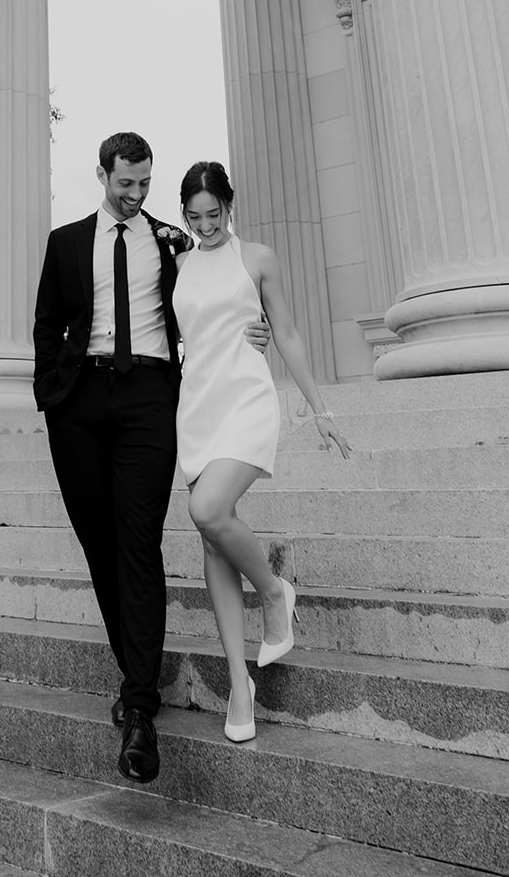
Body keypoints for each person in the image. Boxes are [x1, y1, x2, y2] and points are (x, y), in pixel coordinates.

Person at [33, 131, 270, 784]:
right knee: (99, 542)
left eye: (143, 184)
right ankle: (133, 672)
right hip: (78, 401)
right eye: (124, 183)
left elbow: (222, 290)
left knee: (137, 542)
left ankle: (139, 705)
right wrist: (48, 393)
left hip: (146, 398)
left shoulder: (172, 243)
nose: (134, 194)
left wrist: (262, 327)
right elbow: (46, 321)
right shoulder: (64, 243)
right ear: (103, 174)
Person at [173, 159, 351, 745]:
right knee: (213, 539)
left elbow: (289, 332)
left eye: (215, 215)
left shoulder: (259, 258)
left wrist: (319, 410)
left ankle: (276, 592)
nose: (206, 227)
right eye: (195, 218)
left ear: (231, 206)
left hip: (247, 398)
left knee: (208, 511)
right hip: (197, 406)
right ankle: (237, 683)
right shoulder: (177, 266)